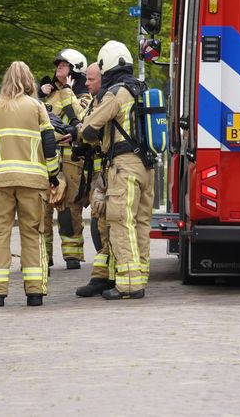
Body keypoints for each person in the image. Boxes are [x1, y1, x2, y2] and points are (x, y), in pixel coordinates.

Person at [0, 61, 62, 307]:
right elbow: (49, 144)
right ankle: (35, 292)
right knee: (33, 234)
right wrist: (53, 175)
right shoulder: (37, 107)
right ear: (30, 81)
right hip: (33, 182)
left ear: (6, 80)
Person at [67, 40, 153, 300]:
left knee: (119, 222)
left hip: (124, 167)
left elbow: (92, 128)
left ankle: (128, 285)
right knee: (140, 223)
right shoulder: (142, 88)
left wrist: (78, 132)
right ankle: (139, 277)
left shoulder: (115, 92)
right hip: (148, 167)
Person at [38, 48, 88, 269]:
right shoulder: (47, 92)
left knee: (69, 208)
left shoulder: (84, 93)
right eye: (57, 64)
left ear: (75, 69)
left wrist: (68, 91)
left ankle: (73, 255)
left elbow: (79, 119)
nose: (59, 66)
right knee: (42, 207)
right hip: (45, 156)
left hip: (70, 159)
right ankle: (43, 255)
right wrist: (39, 94)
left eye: (64, 64)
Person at [75, 62, 114, 297]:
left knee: (106, 228)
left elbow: (95, 133)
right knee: (101, 227)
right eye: (86, 80)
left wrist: (80, 134)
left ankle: (105, 278)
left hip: (107, 175)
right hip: (96, 175)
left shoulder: (107, 101)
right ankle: (103, 276)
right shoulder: (93, 101)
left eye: (91, 80)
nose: (87, 84)